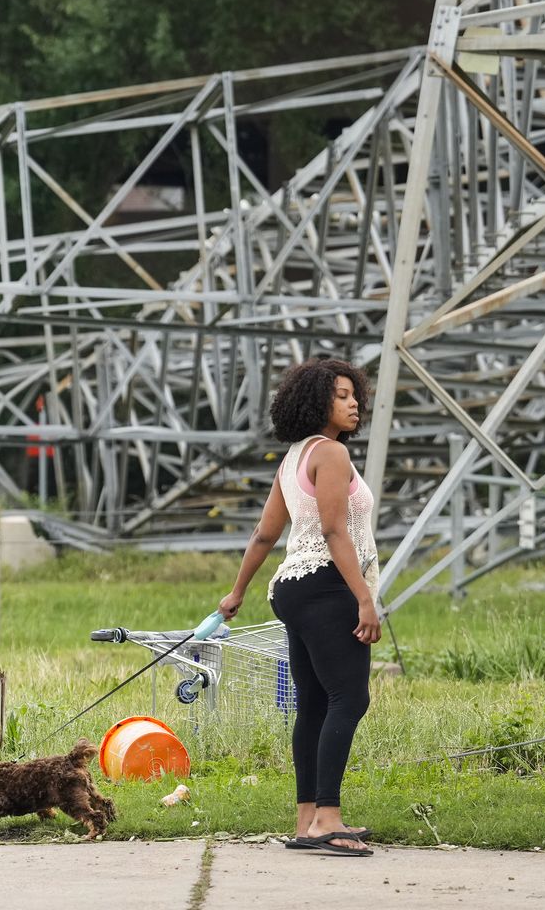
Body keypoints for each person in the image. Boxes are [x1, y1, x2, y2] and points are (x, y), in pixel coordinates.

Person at [218, 356, 381, 857]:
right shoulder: (329, 454)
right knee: (349, 699)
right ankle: (328, 821)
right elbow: (333, 531)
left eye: (354, 394)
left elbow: (266, 532)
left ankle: (308, 819)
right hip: (327, 586)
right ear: (317, 401)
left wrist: (238, 591)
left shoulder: (294, 457)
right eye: (341, 395)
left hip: (294, 588)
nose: (353, 403)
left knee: (313, 703)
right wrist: (365, 600)